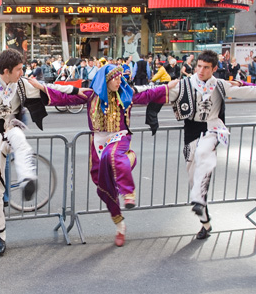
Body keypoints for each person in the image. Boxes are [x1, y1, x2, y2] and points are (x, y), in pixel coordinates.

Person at [0, 49, 85, 256]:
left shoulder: (22, 83)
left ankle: (27, 179)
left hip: (9, 129)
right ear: (6, 70)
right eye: (18, 69)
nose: (22, 72)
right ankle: (0, 235)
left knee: (20, 140)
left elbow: (48, 89)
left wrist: (73, 91)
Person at [30, 64, 173, 247]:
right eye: (116, 78)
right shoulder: (91, 95)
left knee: (111, 155)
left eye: (121, 77)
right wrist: (41, 86)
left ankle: (128, 190)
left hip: (120, 137)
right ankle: (119, 224)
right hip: (98, 142)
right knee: (104, 186)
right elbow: (64, 96)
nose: (119, 81)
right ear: (105, 80)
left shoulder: (126, 93)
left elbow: (149, 94)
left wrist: (168, 86)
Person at [164, 50, 256, 240]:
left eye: (206, 67)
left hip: (213, 128)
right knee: (194, 180)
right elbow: (157, 92)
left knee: (204, 153)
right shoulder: (184, 84)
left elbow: (249, 91)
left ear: (214, 69)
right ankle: (205, 223)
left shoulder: (220, 85)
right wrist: (131, 92)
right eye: (199, 66)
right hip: (191, 131)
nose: (201, 70)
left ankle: (199, 201)